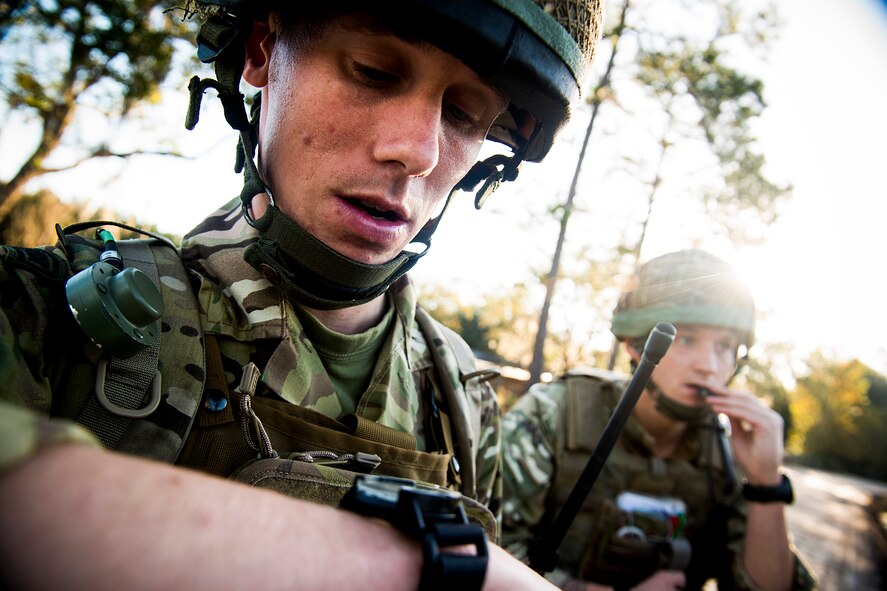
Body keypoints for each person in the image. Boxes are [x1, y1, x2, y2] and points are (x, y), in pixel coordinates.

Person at [0, 1, 603, 588]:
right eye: (373, 72)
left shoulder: (463, 399)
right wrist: (416, 568)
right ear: (263, 50)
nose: (416, 152)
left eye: (465, 115)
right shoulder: (45, 311)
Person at [500, 250, 816, 591]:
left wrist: (765, 484)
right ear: (636, 345)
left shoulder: (730, 455)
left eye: (725, 346)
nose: (709, 365)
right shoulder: (556, 412)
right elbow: (489, 546)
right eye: (687, 339)